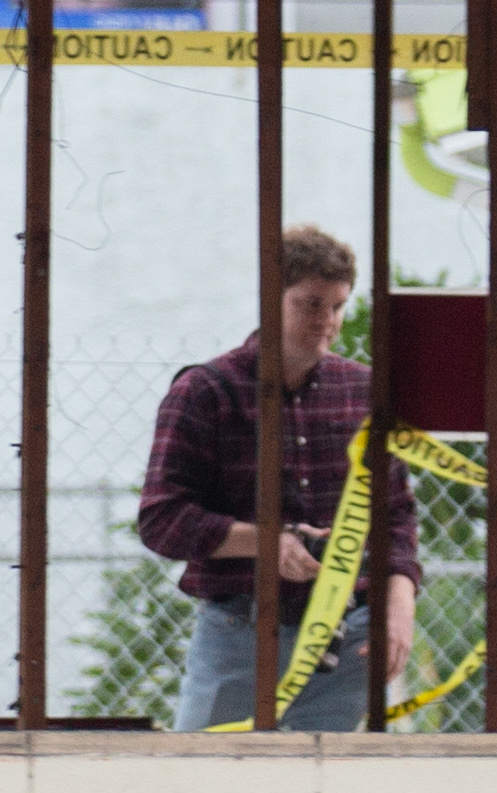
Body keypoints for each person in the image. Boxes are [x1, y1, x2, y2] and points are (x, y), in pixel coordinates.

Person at [137, 224, 419, 731]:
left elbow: (394, 513)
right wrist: (266, 543)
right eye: (310, 305)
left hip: (348, 632)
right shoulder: (207, 391)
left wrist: (398, 608)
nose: (327, 322)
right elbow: (162, 520)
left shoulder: (362, 390)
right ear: (272, 298)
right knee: (207, 789)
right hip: (240, 631)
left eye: (337, 306)